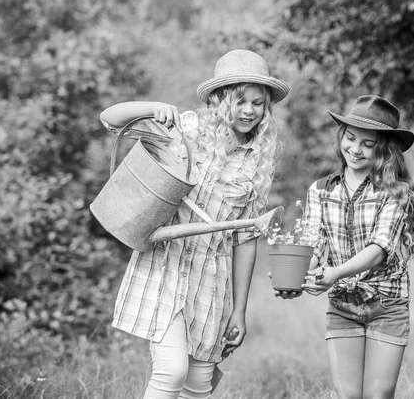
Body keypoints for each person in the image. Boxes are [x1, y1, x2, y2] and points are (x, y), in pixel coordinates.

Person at [99, 49, 289, 399]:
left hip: (211, 280)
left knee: (199, 384)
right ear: (219, 99)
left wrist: (239, 311)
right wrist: (151, 106)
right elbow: (110, 119)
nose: (249, 111)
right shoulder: (185, 130)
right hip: (165, 267)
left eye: (258, 103)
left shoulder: (256, 163)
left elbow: (244, 239)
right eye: (240, 101)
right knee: (171, 371)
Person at [299, 95, 414, 399]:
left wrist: (335, 272)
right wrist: (302, 275)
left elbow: (379, 248)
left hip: (387, 304)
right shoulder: (320, 190)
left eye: (368, 144)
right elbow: (315, 246)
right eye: (350, 139)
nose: (356, 149)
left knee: (378, 395)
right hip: (342, 304)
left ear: (383, 150)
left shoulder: (396, 192)